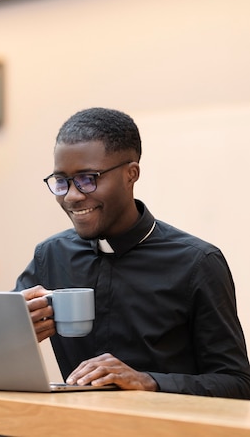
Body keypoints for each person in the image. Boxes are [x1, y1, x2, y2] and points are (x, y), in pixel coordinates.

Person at [14, 107, 250, 398]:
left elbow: (237, 383)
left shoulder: (197, 263)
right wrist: (10, 334)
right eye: (62, 181)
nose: (72, 196)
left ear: (131, 174)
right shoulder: (51, 255)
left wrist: (148, 381)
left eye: (88, 179)